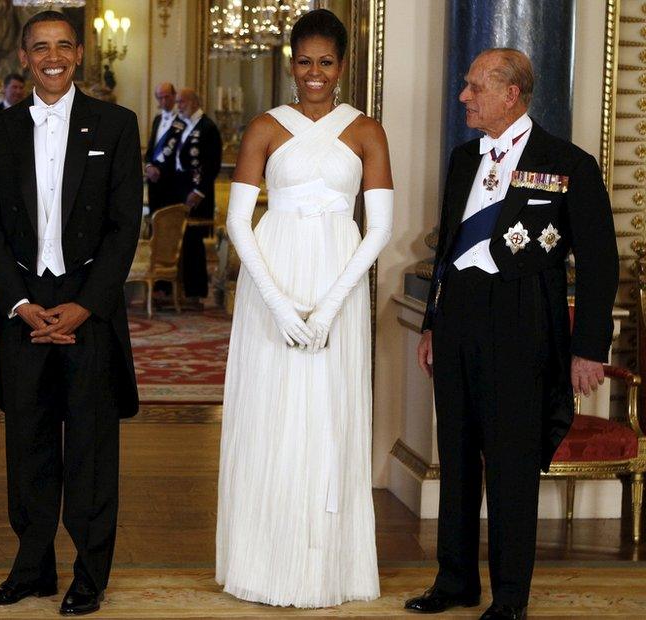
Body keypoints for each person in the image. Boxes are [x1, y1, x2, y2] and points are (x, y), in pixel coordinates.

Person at [406, 49, 618, 620]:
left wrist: (588, 349)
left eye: (475, 87)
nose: (464, 97)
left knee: (510, 462)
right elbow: (450, 247)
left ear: (511, 94)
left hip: (523, 320)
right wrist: (431, 323)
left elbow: (600, 264)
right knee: (456, 454)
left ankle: (509, 598)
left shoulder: (567, 162)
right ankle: (454, 580)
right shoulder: (461, 159)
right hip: (457, 322)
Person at [216, 8, 393, 608]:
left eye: (325, 62)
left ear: (342, 66)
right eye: (303, 62)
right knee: (272, 414)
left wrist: (327, 309)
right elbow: (240, 221)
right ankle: (263, 563)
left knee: (327, 416)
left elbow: (379, 229)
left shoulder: (367, 130)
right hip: (275, 280)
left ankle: (327, 568)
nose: (313, 73)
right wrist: (281, 306)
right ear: (290, 64)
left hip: (337, 284)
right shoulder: (266, 126)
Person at [0, 10, 142, 616]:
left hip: (88, 313)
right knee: (29, 446)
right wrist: (19, 304)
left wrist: (84, 305)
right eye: (39, 46)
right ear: (24, 56)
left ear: (79, 54)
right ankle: (33, 569)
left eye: (63, 46)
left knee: (91, 450)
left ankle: (90, 576)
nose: (51, 56)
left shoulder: (117, 125)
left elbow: (125, 228)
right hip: (21, 309)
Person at [174, 87, 222, 302]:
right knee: (184, 243)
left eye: (182, 102)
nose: (179, 106)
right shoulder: (184, 126)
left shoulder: (207, 127)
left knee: (194, 243)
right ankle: (185, 290)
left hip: (197, 194)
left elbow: (212, 163)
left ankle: (196, 291)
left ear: (193, 102)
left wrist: (199, 191)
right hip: (182, 190)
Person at [144, 82, 186, 212]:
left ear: (174, 96)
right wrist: (149, 166)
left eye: (167, 97)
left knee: (169, 222)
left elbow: (181, 153)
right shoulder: (157, 120)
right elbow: (151, 147)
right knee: (154, 219)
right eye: (160, 97)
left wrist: (160, 170)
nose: (164, 101)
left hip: (171, 181)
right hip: (154, 182)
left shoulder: (183, 121)